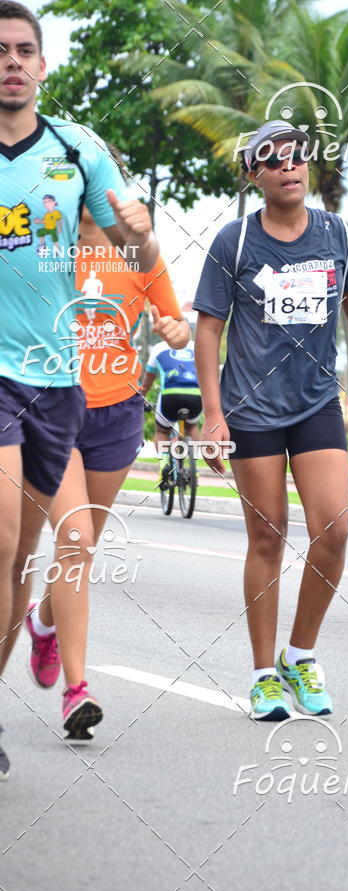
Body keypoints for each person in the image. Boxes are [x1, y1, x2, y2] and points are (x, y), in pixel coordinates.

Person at [0, 1, 159, 776]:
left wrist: (140, 232)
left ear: (43, 63)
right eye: (0, 51)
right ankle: (63, 688)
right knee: (7, 540)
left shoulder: (77, 149)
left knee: (24, 558)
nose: (12, 62)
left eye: (24, 50)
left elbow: (136, 251)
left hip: (61, 383)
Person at [194, 120, 348, 721]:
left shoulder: (338, 234)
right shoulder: (234, 242)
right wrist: (213, 414)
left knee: (333, 530)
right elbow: (208, 328)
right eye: (273, 159)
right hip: (251, 409)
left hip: (316, 402)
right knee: (268, 536)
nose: (289, 166)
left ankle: (299, 656)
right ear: (255, 175)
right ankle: (262, 676)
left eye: (298, 156)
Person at [23, 195, 188, 741]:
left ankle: (43, 622)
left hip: (117, 415)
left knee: (81, 547)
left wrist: (175, 333)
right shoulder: (41, 253)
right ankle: (77, 691)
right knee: (75, 536)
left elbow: (175, 321)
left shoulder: (139, 253)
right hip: (53, 408)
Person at [141, 338, 202, 483]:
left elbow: (148, 380)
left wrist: (140, 400)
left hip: (170, 396)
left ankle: (164, 465)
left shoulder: (158, 348)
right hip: (195, 395)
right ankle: (193, 468)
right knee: (191, 426)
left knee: (162, 431)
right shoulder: (197, 346)